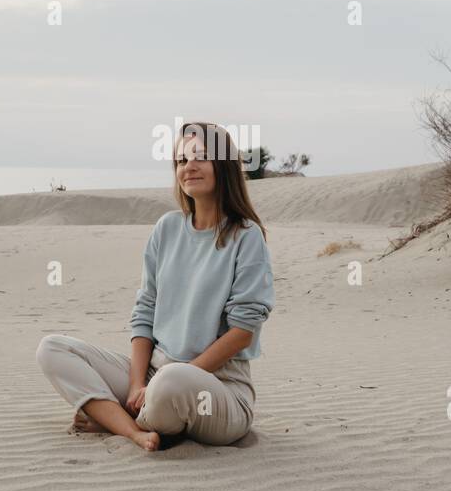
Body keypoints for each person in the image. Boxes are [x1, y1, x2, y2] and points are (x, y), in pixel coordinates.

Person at [36, 121, 275, 451]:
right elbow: (144, 311)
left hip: (216, 390)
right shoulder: (167, 228)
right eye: (180, 160)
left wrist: (162, 382)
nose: (188, 166)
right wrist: (136, 384)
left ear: (224, 166)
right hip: (152, 380)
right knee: (53, 348)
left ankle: (112, 420)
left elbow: (243, 331)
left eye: (200, 157)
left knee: (171, 383)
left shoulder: (246, 236)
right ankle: (135, 429)